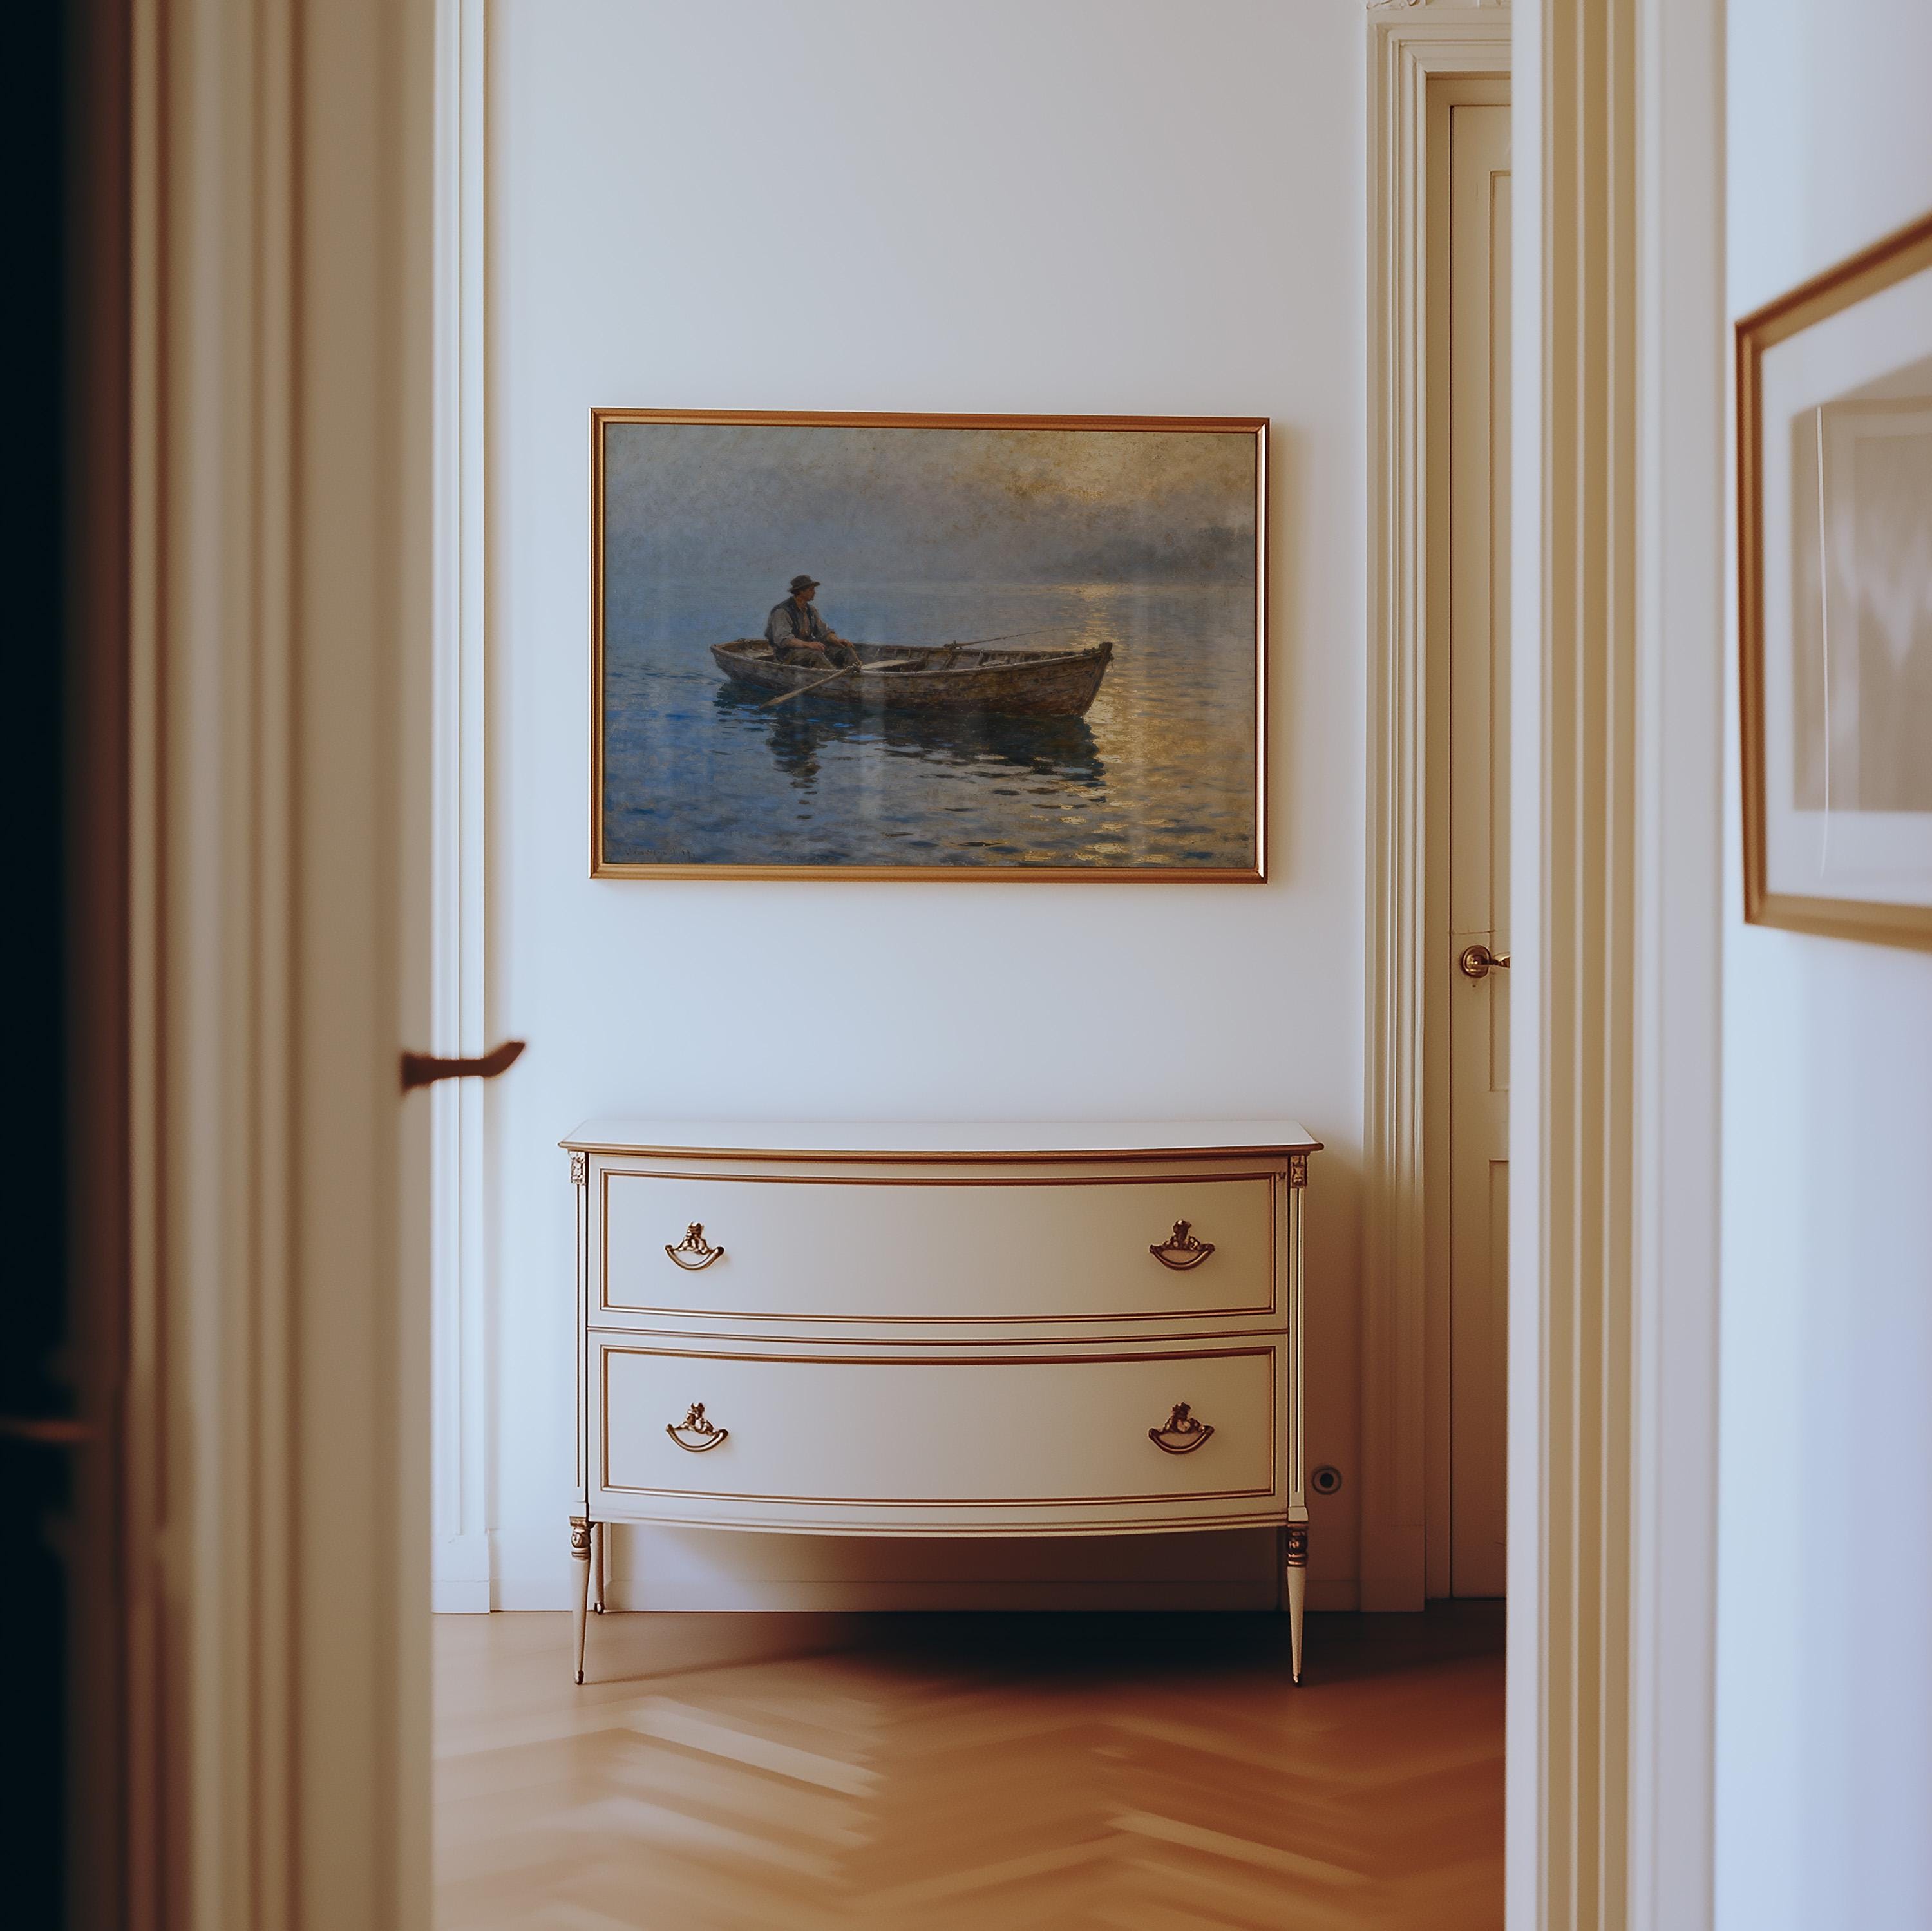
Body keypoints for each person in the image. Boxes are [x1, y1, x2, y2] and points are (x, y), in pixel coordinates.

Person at [765, 575, 860, 670]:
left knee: (847, 651)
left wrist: (837, 640)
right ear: (801, 591)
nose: (814, 592)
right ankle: (835, 678)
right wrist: (808, 644)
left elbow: (823, 631)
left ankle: (857, 674)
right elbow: (784, 640)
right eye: (811, 590)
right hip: (786, 655)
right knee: (816, 655)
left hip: (808, 650)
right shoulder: (782, 611)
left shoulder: (811, 610)